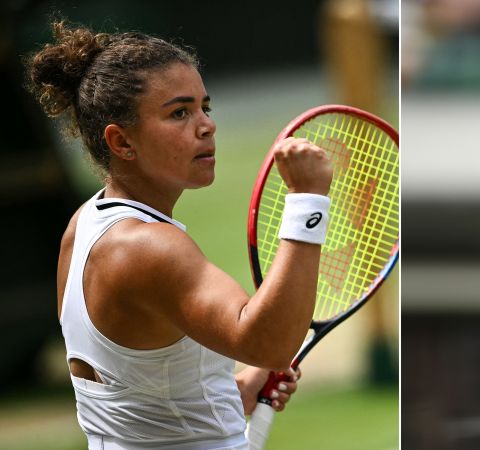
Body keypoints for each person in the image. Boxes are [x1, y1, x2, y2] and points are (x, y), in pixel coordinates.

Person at [27, 21, 333, 449]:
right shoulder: (150, 247)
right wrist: (307, 200)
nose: (206, 125)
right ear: (121, 142)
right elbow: (269, 343)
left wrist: (230, 395)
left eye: (205, 107)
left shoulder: (84, 225)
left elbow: (130, 391)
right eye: (179, 113)